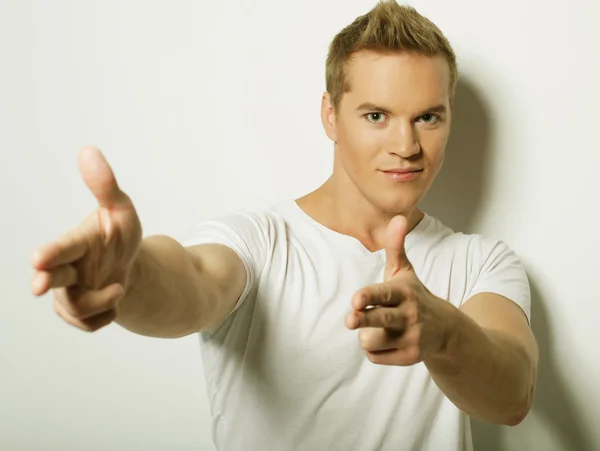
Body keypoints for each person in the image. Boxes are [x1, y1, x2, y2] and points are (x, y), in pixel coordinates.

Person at [30, 1, 539, 450]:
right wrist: (128, 277)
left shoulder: (482, 262)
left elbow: (514, 392)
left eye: (428, 117)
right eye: (376, 116)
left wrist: (443, 334)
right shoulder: (260, 242)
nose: (406, 145)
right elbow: (191, 282)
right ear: (330, 117)